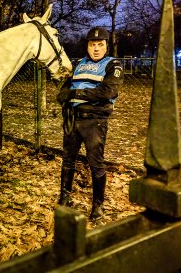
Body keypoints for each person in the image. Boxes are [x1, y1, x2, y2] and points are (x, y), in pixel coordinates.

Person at [56, 27, 124, 221]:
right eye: (92, 45)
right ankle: (65, 196)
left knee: (96, 163)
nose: (96, 49)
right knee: (68, 159)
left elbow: (107, 92)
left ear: (106, 46)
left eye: (100, 45)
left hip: (95, 120)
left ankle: (98, 205)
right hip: (73, 117)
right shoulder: (78, 64)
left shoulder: (113, 65)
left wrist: (76, 94)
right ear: (87, 46)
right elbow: (65, 90)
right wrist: (64, 97)